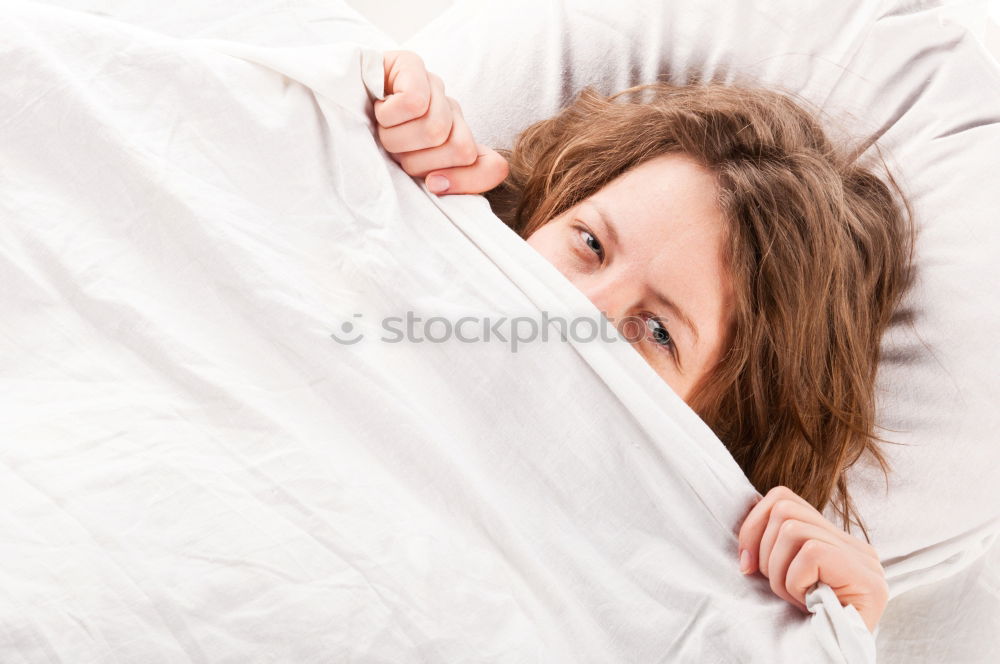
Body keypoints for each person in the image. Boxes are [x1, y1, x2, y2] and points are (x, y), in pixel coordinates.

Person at [374, 50, 916, 633]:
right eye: (589, 244)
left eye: (659, 331)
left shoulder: (665, 614)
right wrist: (370, 124)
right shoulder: (392, 261)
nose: (580, 317)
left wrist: (830, 637)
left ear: (716, 423)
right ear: (539, 215)